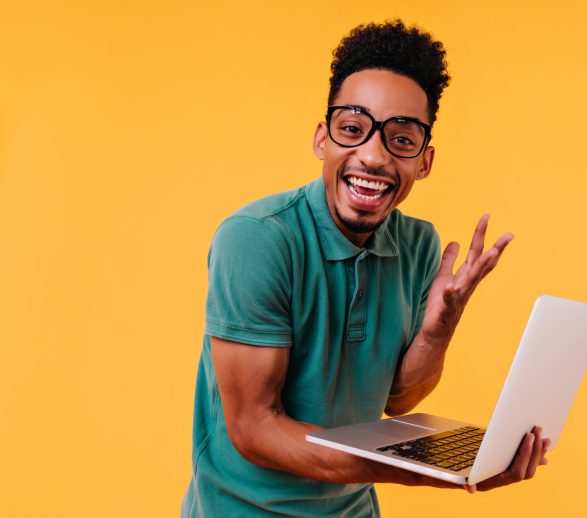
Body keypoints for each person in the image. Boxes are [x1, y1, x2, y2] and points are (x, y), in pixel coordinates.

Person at [182, 19, 549, 517]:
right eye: (352, 129)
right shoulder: (257, 239)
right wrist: (425, 468)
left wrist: (439, 330)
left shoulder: (420, 245)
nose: (373, 156)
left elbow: (399, 400)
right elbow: (254, 429)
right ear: (321, 139)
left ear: (424, 161)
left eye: (401, 139)